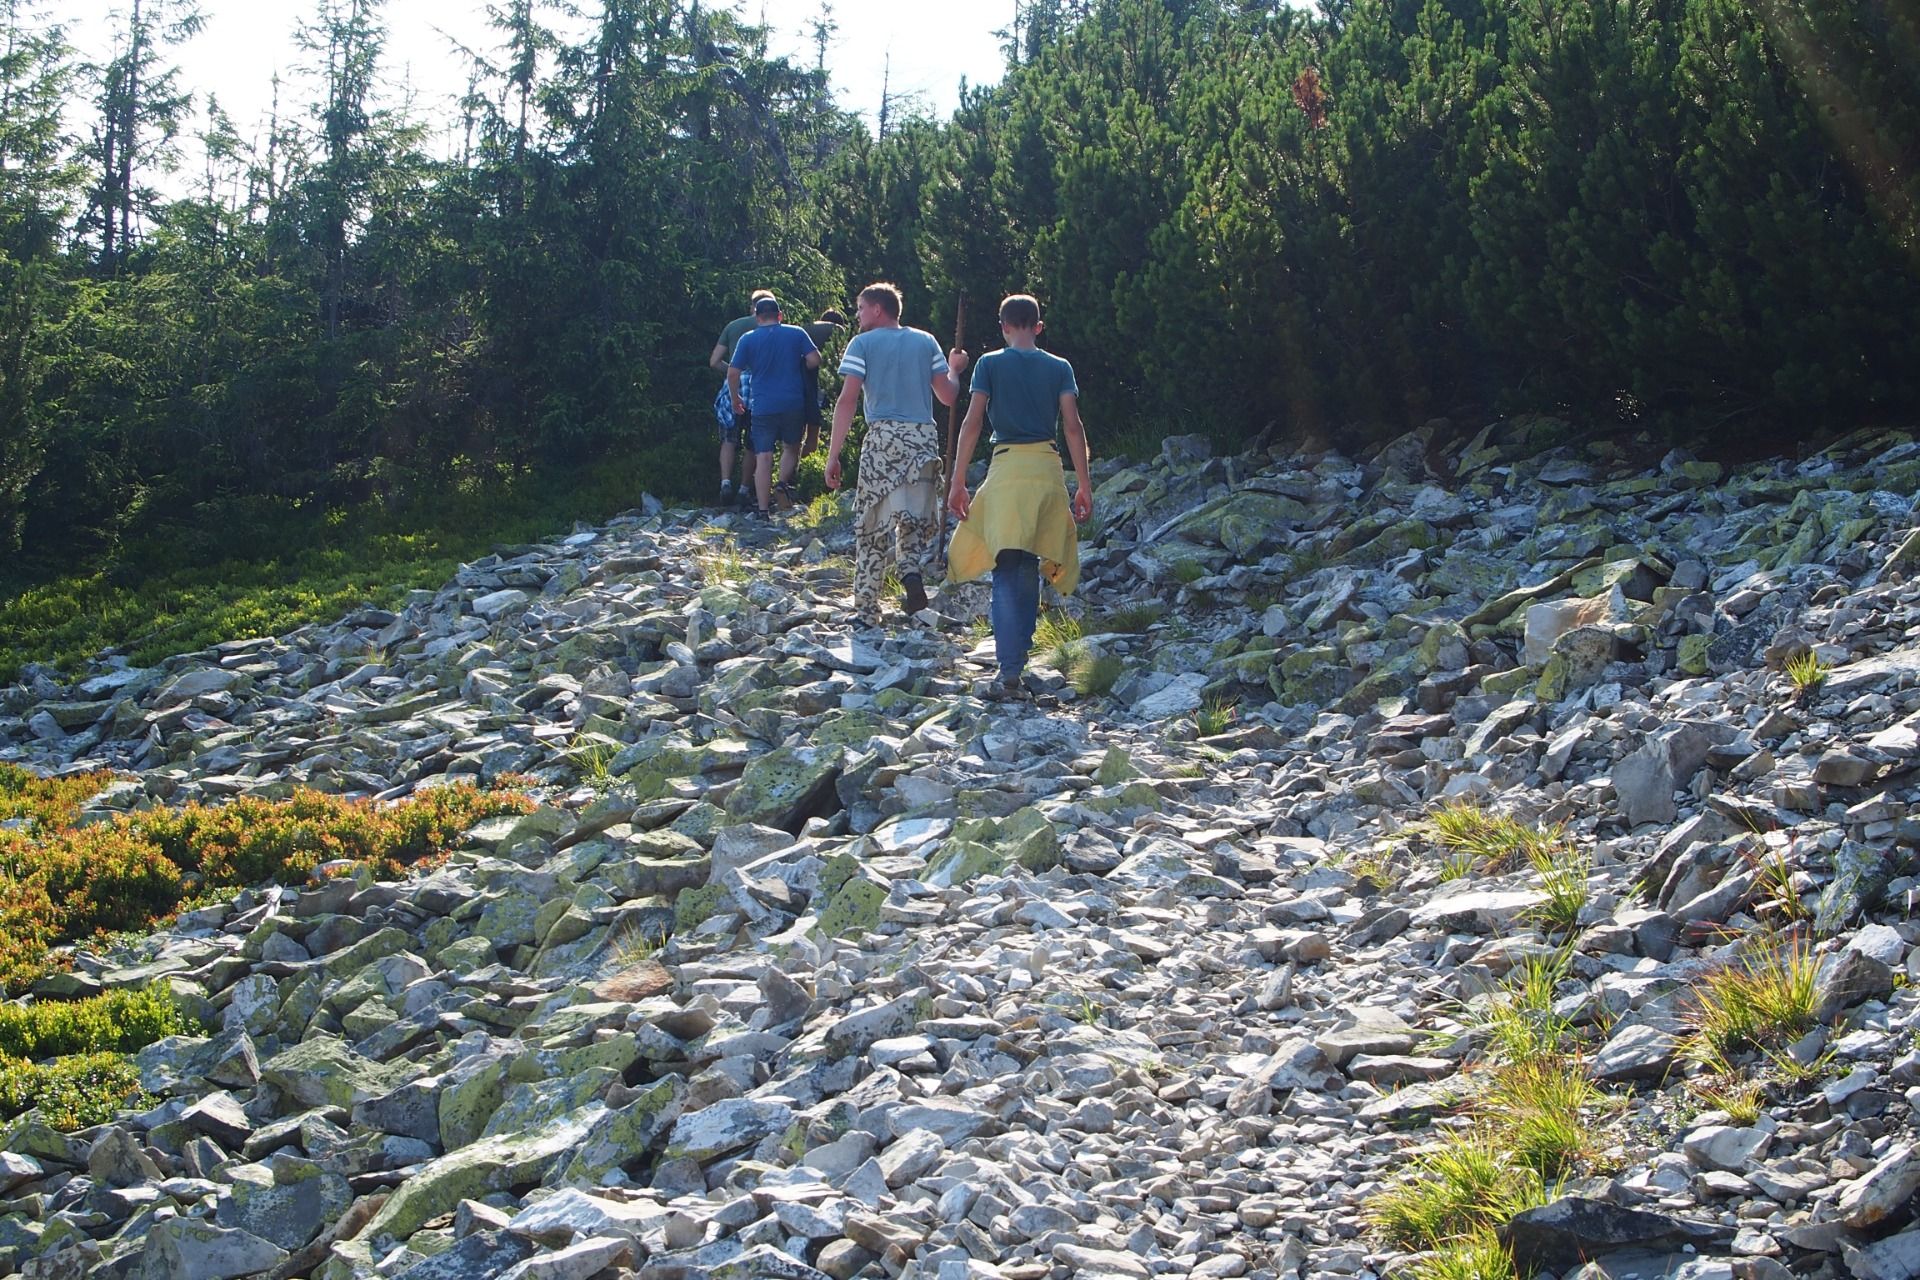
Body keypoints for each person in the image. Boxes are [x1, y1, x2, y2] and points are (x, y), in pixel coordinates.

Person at [946, 294, 1092, 699]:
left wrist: (958, 480)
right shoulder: (1059, 367)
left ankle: (1009, 672)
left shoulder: (989, 364)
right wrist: (1083, 483)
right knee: (1026, 561)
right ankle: (1016, 664)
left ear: (1003, 326)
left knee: (1007, 563)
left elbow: (972, 424)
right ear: (1039, 326)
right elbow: (1073, 426)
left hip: (1007, 467)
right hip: (1046, 468)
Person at [824, 282, 969, 629]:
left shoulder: (861, 345)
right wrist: (955, 370)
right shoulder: (926, 341)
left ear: (877, 309)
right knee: (913, 520)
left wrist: (834, 454)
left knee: (872, 524)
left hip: (883, 438)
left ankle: (866, 610)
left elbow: (847, 401)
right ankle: (910, 573)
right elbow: (948, 396)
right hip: (922, 437)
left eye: (860, 308)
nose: (857, 315)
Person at [727, 296, 821, 520]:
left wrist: (734, 398)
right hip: (793, 402)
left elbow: (732, 372)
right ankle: (781, 483)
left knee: (764, 456)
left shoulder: (748, 339)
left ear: (757, 317)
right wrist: (802, 366)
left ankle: (762, 510)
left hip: (763, 405)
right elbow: (815, 359)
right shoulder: (796, 333)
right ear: (780, 315)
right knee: (791, 447)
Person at [709, 289, 774, 508]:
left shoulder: (733, 326)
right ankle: (745, 490)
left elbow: (714, 361)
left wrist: (733, 371)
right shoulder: (773, 327)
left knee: (728, 437)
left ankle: (725, 482)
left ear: (751, 307)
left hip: (734, 385)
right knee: (753, 443)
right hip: (761, 387)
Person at [801, 309, 847, 461]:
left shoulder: (807, 329)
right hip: (828, 382)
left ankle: (800, 466)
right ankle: (819, 461)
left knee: (805, 431)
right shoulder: (838, 331)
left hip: (803, 381)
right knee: (820, 426)